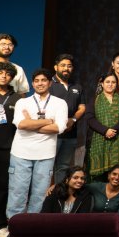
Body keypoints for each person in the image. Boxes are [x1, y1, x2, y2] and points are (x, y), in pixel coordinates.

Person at [8, 69, 69, 222]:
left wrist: (32, 123)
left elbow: (59, 128)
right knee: (17, 191)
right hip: (21, 153)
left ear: (49, 83)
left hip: (46, 154)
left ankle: (32, 226)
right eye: (36, 81)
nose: (40, 83)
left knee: (40, 193)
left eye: (43, 80)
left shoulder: (60, 103)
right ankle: (15, 226)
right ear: (32, 83)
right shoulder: (23, 102)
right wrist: (47, 121)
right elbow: (21, 125)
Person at [86, 70, 119, 181]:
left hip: (117, 139)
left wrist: (113, 130)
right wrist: (105, 131)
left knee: (116, 172)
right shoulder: (95, 100)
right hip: (99, 139)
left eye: (113, 82)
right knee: (99, 178)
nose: (110, 84)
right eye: (107, 82)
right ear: (102, 83)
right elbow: (90, 118)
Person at [0, 62, 17, 237]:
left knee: (1, 187)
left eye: (8, 73)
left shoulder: (18, 98)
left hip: (7, 148)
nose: (4, 76)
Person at [51, 54, 85, 183]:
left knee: (63, 167)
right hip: (53, 133)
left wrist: (73, 120)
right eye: (63, 65)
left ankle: (59, 195)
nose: (66, 68)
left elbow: (82, 108)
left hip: (71, 134)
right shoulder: (49, 84)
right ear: (56, 67)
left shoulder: (77, 86)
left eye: (69, 66)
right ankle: (46, 198)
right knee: (47, 166)